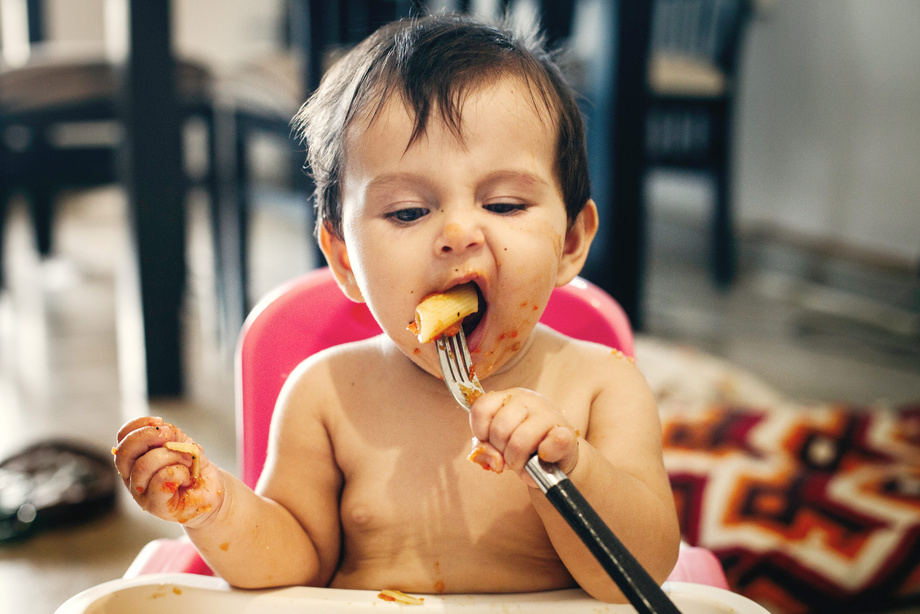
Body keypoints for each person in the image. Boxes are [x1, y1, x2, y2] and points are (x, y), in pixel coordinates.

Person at [114, 13, 680, 603]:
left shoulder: (602, 387)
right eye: (408, 212)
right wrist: (216, 508)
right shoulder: (327, 396)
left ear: (569, 242)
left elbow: (641, 575)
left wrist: (572, 467)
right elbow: (293, 566)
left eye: (506, 204)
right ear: (344, 260)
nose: (459, 233)